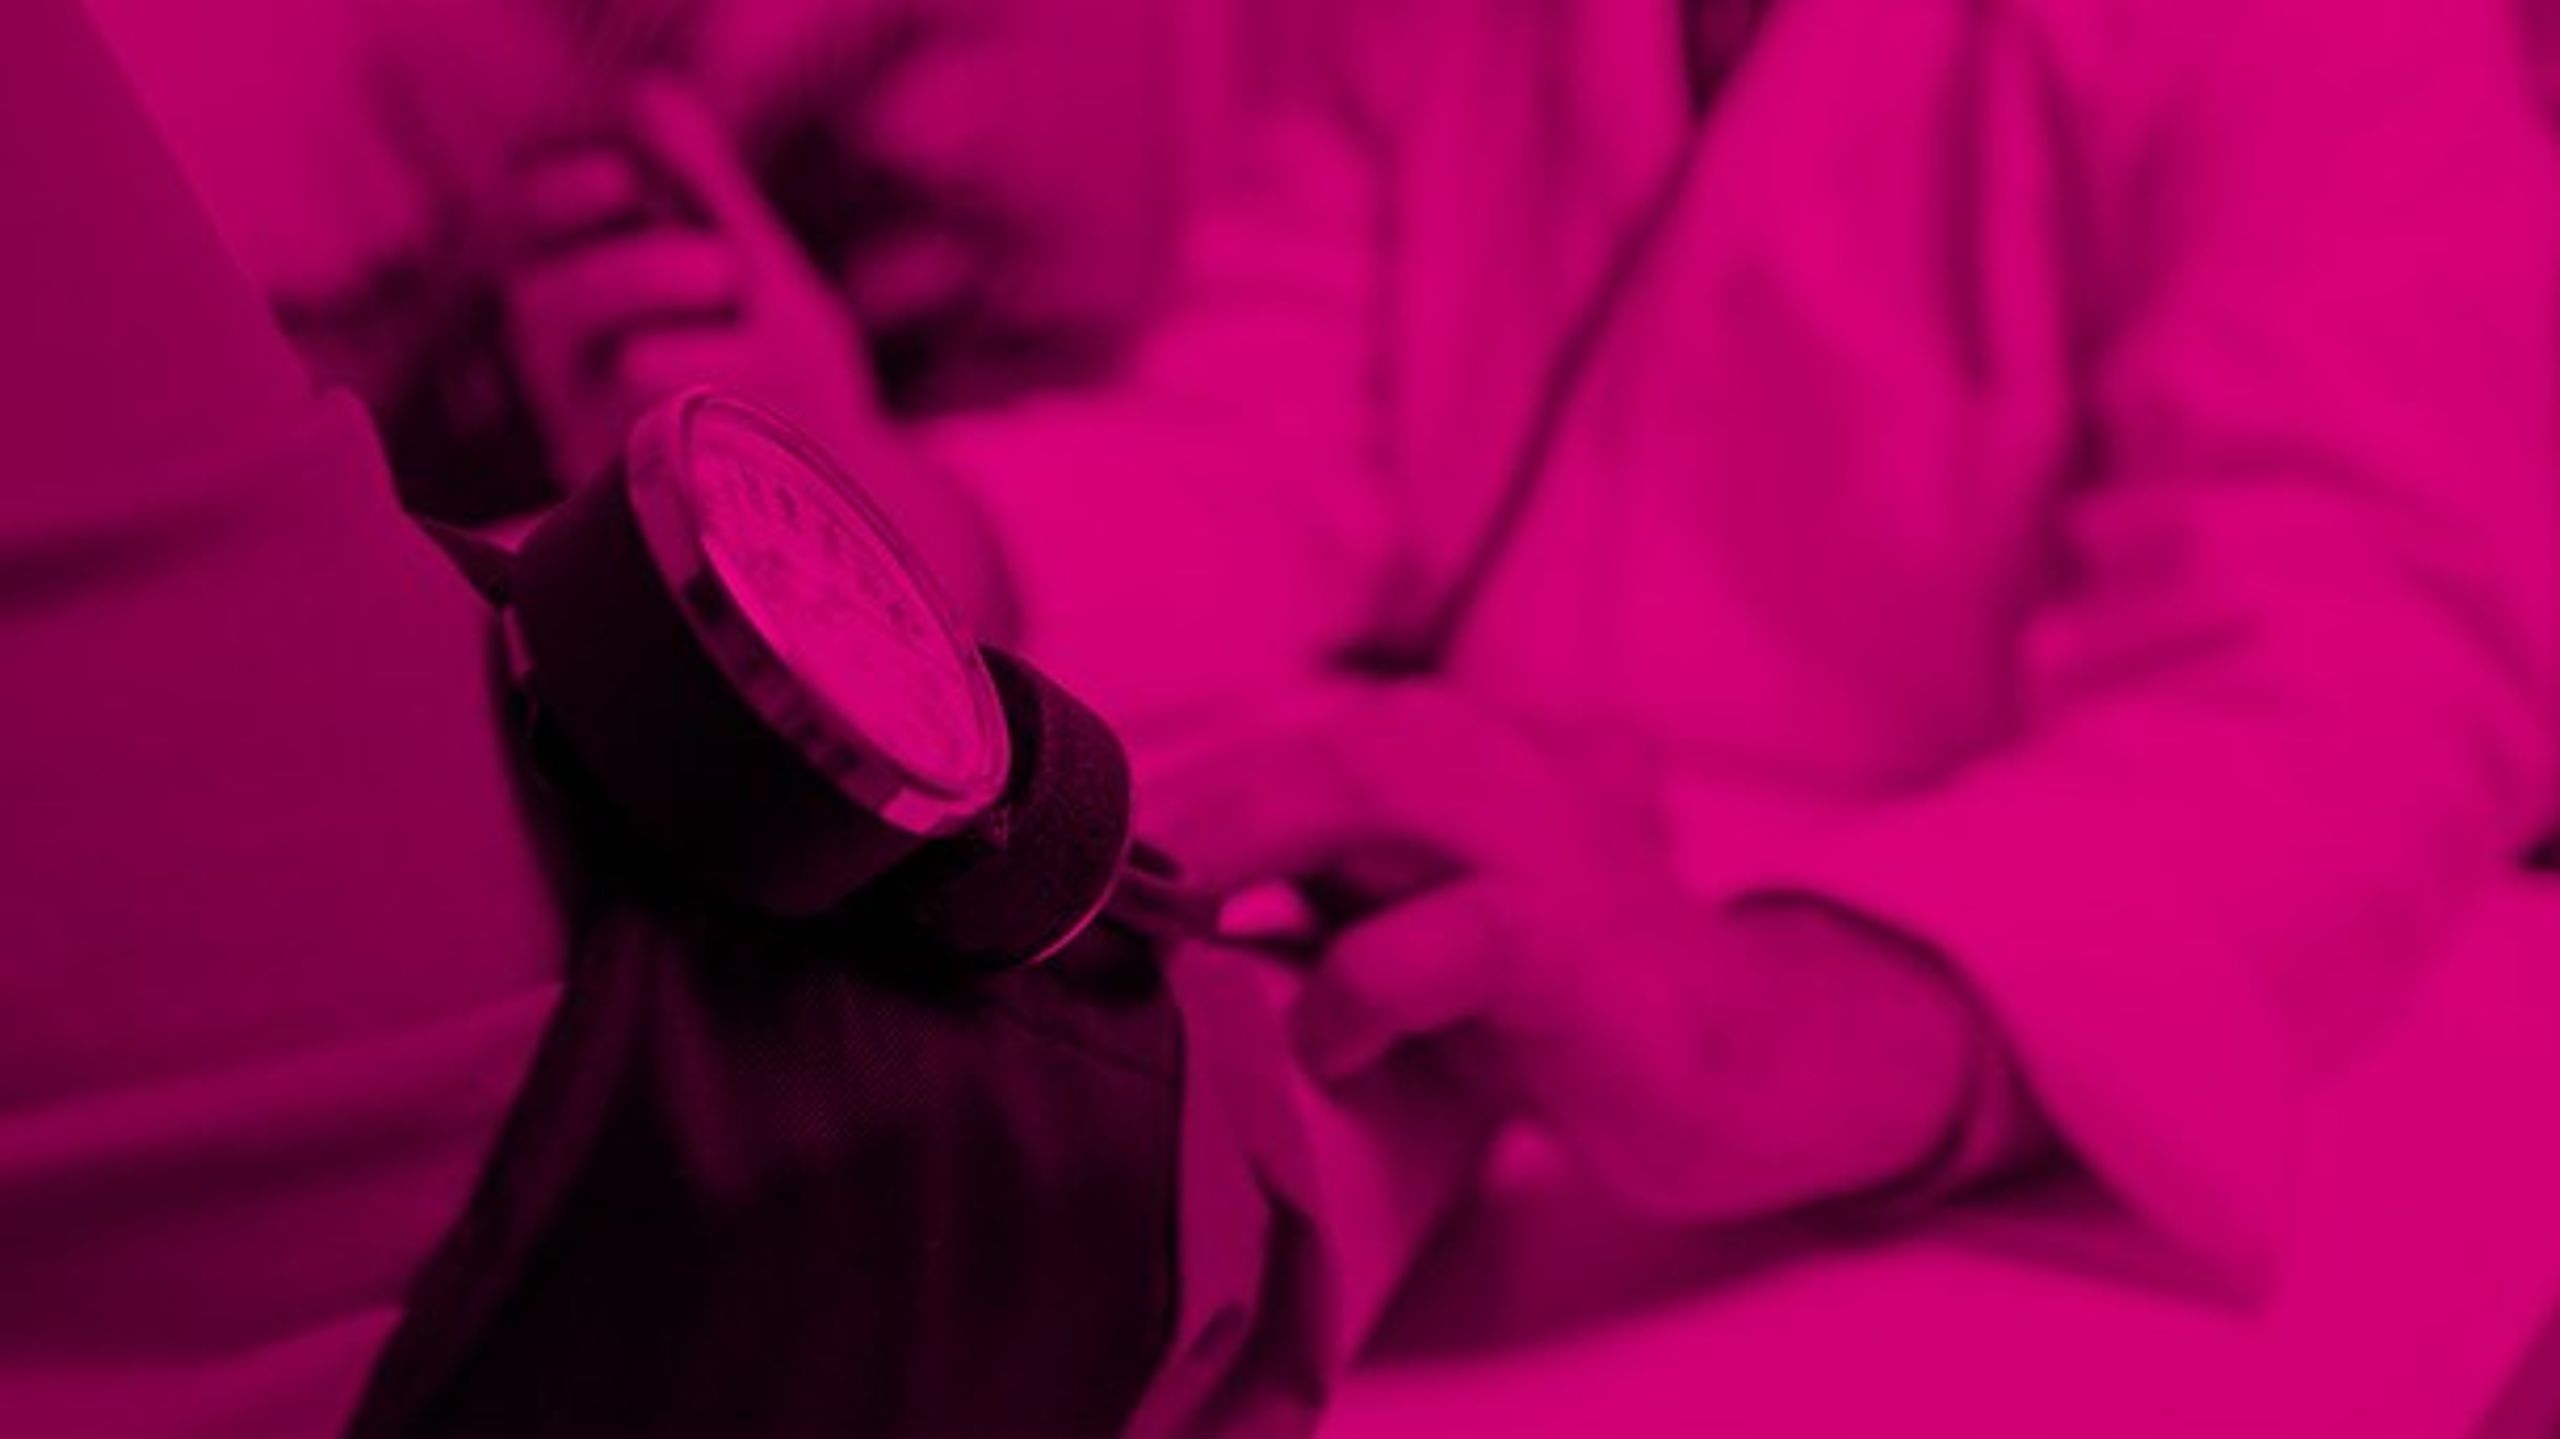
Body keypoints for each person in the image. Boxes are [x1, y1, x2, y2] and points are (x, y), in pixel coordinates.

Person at [496, 0, 2560, 1299]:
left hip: (1975, 1151)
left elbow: (2352, 680)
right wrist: (894, 528)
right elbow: (1273, 453)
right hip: (1493, 1040)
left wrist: (1793, 1024)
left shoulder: (2323, 41)